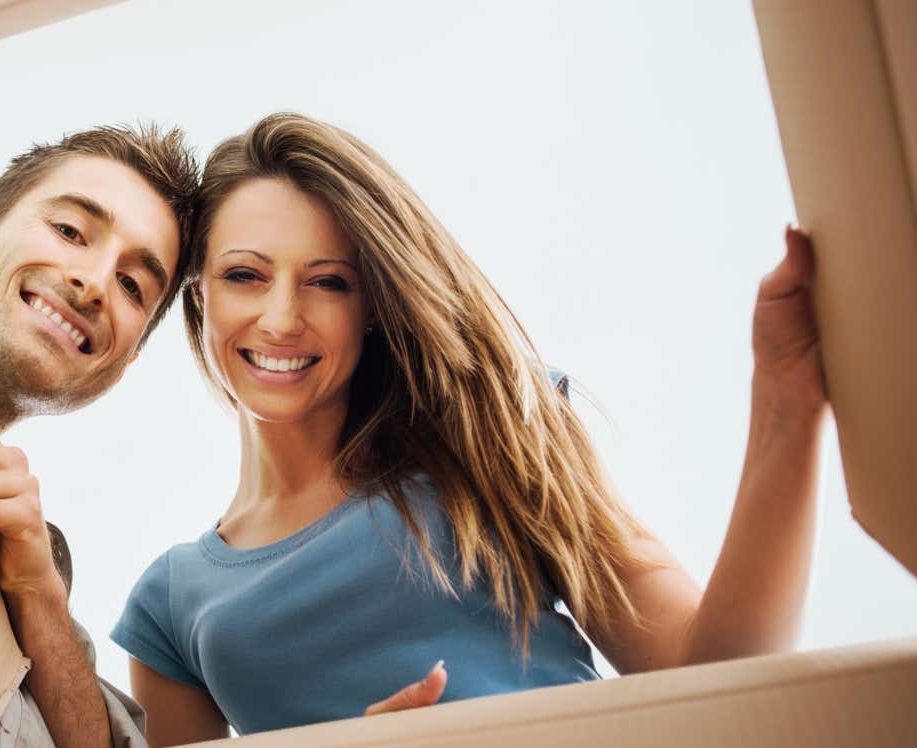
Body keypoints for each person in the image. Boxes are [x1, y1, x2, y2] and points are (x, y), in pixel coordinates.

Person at [99, 113, 826, 743]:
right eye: (245, 275)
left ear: (375, 304)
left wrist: (785, 398)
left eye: (329, 282)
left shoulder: (486, 442)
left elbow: (721, 673)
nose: (283, 318)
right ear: (199, 298)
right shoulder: (171, 604)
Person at [0, 123, 198, 748]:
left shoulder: (36, 566)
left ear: (121, 365)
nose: (93, 282)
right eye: (69, 231)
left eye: (132, 286)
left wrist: (37, 593)